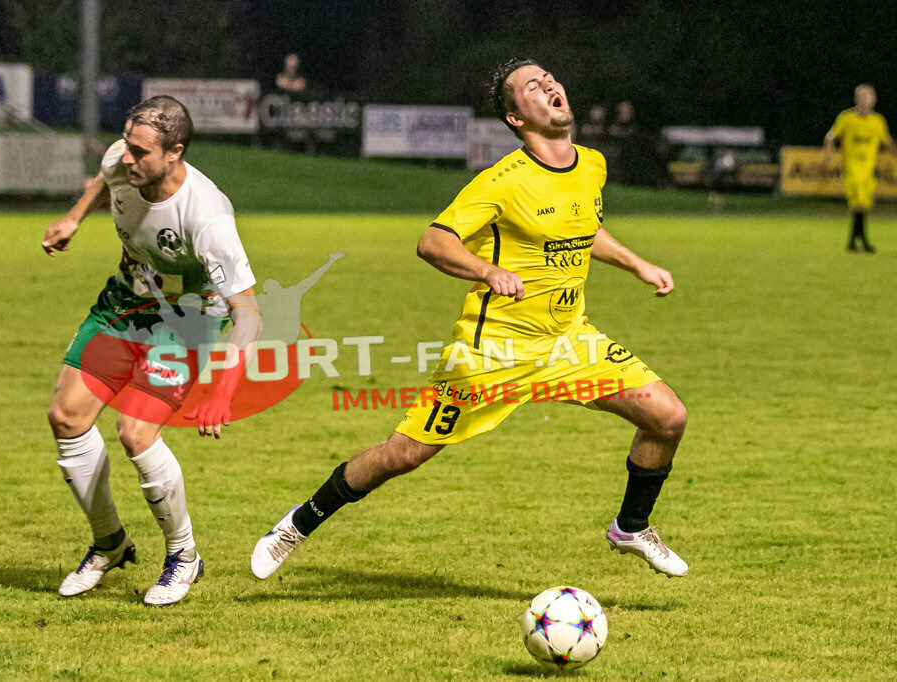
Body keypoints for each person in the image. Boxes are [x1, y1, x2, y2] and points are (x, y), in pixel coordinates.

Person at [250, 58, 689, 581]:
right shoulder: (501, 181)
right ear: (515, 119)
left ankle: (631, 527)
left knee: (668, 418)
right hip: (493, 350)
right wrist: (486, 269)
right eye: (532, 86)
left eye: (550, 79)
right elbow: (432, 241)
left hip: (569, 342)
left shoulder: (591, 163)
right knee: (404, 454)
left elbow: (584, 227)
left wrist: (637, 263)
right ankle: (297, 524)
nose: (549, 86)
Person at [42, 95, 262, 606]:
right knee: (66, 418)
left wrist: (223, 395)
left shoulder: (207, 217)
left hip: (183, 320)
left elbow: (248, 313)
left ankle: (184, 556)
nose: (127, 158)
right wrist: (74, 218)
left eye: (141, 152)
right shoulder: (122, 159)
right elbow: (105, 182)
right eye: (127, 144)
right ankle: (109, 543)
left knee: (135, 433)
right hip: (124, 303)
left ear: (174, 153)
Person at [823, 84, 895, 253]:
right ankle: (863, 241)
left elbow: (888, 143)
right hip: (852, 169)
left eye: (868, 97)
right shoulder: (847, 118)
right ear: (856, 99)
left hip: (869, 171)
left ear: (873, 100)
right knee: (858, 204)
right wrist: (827, 154)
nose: (865, 100)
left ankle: (853, 241)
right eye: (861, 97)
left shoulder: (878, 121)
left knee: (863, 205)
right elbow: (831, 135)